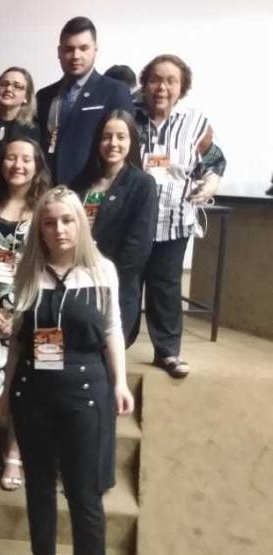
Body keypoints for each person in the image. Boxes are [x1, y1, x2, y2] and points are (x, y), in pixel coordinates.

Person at [5, 186, 135, 555]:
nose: (59, 229)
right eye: (49, 222)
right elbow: (17, 339)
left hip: (86, 391)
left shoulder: (102, 269)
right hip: (34, 392)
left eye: (67, 220)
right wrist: (4, 390)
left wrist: (121, 383)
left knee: (85, 494)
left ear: (81, 223)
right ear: (40, 230)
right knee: (39, 490)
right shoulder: (27, 271)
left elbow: (112, 328)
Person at [132, 54, 224, 378]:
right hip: (132, 220)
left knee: (165, 286)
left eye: (171, 80)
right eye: (156, 79)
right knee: (126, 283)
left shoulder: (196, 122)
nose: (162, 87)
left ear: (182, 86)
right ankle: (113, 348)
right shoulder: (129, 116)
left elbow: (215, 159)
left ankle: (167, 353)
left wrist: (211, 181)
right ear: (145, 83)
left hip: (175, 218)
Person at [0, 138, 52, 492]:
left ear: (37, 165)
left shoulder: (49, 207)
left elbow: (54, 263)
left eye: (26, 159)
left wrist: (24, 313)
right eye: (10, 158)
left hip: (31, 312)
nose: (17, 165)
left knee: (24, 388)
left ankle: (14, 454)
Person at [71, 110, 158, 346]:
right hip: (74, 281)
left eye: (121, 137)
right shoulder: (79, 183)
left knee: (103, 360)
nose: (113, 143)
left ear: (132, 141)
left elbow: (137, 247)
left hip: (114, 288)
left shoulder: (142, 184)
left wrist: (103, 278)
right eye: (106, 137)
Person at [36, 16, 134, 185]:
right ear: (59, 52)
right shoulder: (44, 96)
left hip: (93, 192)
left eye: (83, 48)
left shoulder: (115, 91)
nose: (76, 55)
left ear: (95, 49)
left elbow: (126, 149)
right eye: (69, 49)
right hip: (49, 192)